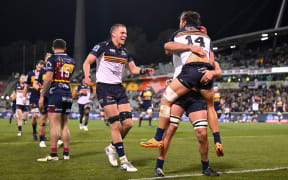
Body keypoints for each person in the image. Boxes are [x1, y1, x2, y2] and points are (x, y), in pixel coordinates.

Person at [141, 11, 224, 157]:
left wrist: (188, 47)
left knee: (167, 108)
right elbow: (212, 63)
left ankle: (157, 138)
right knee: (204, 122)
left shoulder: (179, 34)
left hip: (186, 77)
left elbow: (167, 47)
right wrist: (210, 72)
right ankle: (218, 141)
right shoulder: (207, 39)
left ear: (184, 22)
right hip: (202, 77)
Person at [83, 24, 153, 172]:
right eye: (122, 32)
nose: (125, 35)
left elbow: (133, 69)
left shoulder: (125, 52)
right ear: (113, 33)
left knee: (128, 124)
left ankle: (110, 148)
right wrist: (87, 75)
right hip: (104, 88)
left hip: (119, 89)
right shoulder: (102, 46)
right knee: (115, 125)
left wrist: (144, 70)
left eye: (126, 33)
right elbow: (87, 62)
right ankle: (123, 161)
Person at [37, 39, 75, 161]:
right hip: (68, 93)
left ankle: (53, 155)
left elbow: (48, 79)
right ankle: (66, 154)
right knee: (65, 125)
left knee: (54, 125)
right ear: (65, 48)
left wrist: (43, 92)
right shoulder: (72, 61)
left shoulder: (52, 60)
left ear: (53, 48)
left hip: (56, 93)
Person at [23, 60, 45, 140]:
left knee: (43, 117)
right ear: (36, 66)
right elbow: (26, 86)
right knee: (35, 116)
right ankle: (34, 132)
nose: (40, 69)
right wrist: (24, 97)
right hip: (33, 97)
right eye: (39, 67)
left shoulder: (44, 73)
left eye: (41, 68)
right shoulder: (30, 74)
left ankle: (42, 134)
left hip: (43, 96)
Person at [34, 53, 52, 147]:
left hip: (54, 97)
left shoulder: (56, 70)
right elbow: (35, 84)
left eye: (51, 58)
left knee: (55, 120)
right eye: (47, 58)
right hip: (44, 98)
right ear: (45, 61)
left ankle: (58, 139)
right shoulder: (42, 71)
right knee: (43, 119)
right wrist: (40, 89)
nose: (49, 60)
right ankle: (41, 140)